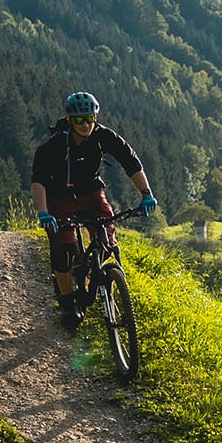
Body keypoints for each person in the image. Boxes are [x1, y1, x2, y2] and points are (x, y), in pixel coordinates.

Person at [31, 91, 156, 323]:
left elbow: (131, 162)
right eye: (79, 119)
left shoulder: (104, 136)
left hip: (91, 193)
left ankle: (93, 270)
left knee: (107, 242)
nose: (85, 124)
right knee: (63, 249)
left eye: (90, 118)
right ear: (69, 119)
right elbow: (38, 180)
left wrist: (146, 194)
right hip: (59, 196)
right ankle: (67, 303)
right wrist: (43, 212)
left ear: (95, 117)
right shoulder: (54, 144)